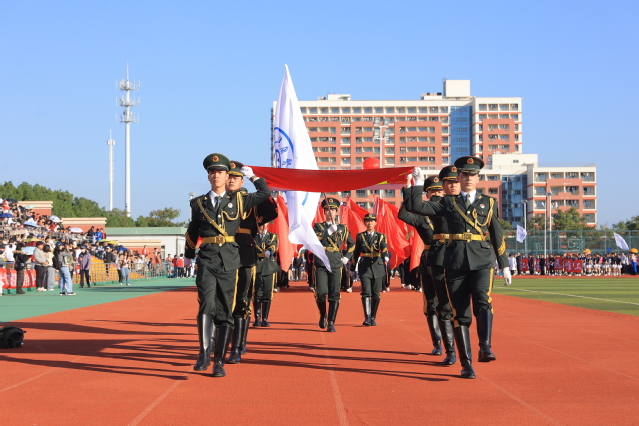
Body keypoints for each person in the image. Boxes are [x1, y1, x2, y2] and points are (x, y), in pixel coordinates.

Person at [409, 157, 511, 379]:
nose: (468, 178)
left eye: (473, 175)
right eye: (464, 175)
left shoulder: (489, 203)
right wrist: (417, 183)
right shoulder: (447, 202)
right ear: (459, 177)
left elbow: (497, 234)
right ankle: (466, 364)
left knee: (483, 301)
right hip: (454, 261)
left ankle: (485, 346)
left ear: (478, 178)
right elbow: (417, 207)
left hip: (482, 259)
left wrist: (504, 264)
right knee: (460, 313)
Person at [185, 153, 270, 377]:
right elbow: (193, 230)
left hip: (230, 260)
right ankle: (204, 353)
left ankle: (219, 360)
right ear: (208, 176)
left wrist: (253, 177)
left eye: (220, 172)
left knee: (225, 309)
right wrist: (188, 254)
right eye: (212, 172)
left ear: (227, 176)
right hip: (207, 258)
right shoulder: (198, 203)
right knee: (206, 303)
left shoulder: (239, 200)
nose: (216, 176)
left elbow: (265, 193)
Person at [399, 166, 459, 365]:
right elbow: (403, 215)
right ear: (426, 194)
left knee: (450, 303)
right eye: (432, 192)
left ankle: (454, 346)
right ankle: (438, 343)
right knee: (431, 304)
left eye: (439, 191)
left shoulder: (451, 210)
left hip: (450, 258)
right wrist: (408, 189)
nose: (437, 194)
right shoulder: (421, 215)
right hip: (430, 259)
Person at [225, 160, 278, 364]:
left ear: (241, 181)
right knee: (222, 302)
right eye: (229, 176)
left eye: (236, 177)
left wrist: (254, 178)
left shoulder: (251, 203)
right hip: (223, 253)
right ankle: (219, 342)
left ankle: (238, 345)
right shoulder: (218, 200)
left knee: (242, 302)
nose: (231, 180)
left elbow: (270, 206)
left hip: (245, 255)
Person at [312, 198, 355, 333]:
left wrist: (347, 257)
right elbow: (315, 239)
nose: (330, 212)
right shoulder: (318, 227)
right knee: (321, 292)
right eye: (327, 210)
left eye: (333, 210)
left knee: (334, 293)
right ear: (324, 212)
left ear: (337, 212)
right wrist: (329, 231)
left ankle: (331, 321)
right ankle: (323, 314)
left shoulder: (342, 228)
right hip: (321, 261)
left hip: (336, 262)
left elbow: (352, 244)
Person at [351, 213, 389, 327]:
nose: (369, 223)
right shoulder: (360, 236)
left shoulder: (381, 236)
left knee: (376, 294)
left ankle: (373, 317)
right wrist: (352, 267)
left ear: (375, 223)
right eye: (367, 221)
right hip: (364, 267)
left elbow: (384, 246)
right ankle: (367, 318)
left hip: (377, 266)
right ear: (365, 223)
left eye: (372, 221)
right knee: (366, 292)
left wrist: (385, 255)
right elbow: (356, 252)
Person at [254, 222, 280, 327]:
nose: (261, 226)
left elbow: (273, 245)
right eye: (259, 224)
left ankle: (265, 319)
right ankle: (257, 318)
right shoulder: (253, 236)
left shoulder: (272, 236)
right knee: (257, 293)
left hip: (269, 266)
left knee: (267, 293)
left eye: (263, 224)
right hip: (256, 266)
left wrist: (269, 250)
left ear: (267, 224)